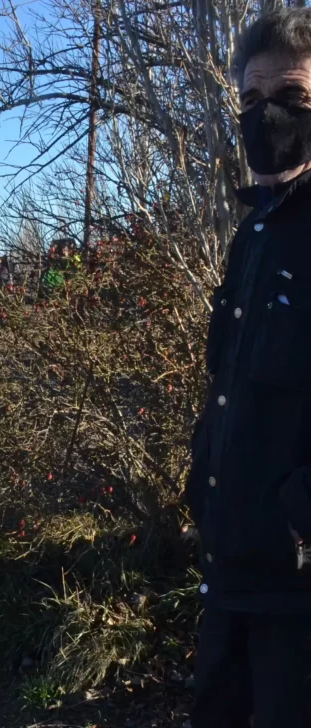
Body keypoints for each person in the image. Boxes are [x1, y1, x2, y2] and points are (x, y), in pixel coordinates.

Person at [186, 9, 311, 727]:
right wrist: (202, 477)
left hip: (300, 587)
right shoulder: (253, 233)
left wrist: (302, 515)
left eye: (293, 98)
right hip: (230, 567)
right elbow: (228, 384)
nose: (269, 117)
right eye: (253, 99)